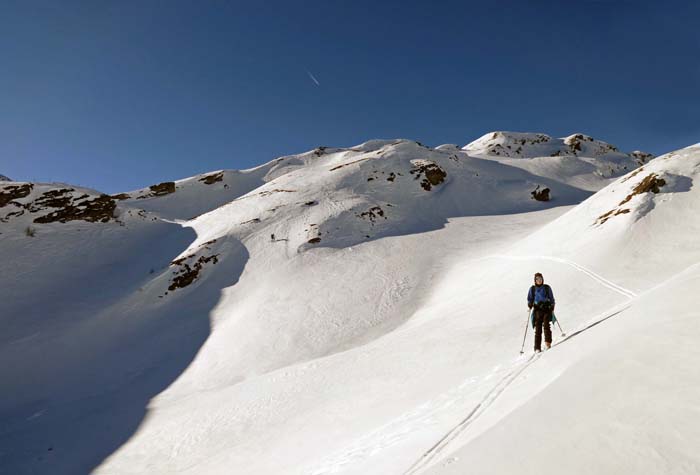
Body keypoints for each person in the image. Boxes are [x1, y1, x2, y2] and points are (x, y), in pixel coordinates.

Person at [527, 272, 555, 352]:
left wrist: (552, 305)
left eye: (540, 279)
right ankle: (537, 348)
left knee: (546, 325)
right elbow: (530, 299)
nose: (539, 280)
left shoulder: (547, 287)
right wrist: (530, 304)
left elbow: (551, 298)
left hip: (546, 309)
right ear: (535, 280)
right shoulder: (532, 289)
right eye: (537, 279)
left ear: (542, 279)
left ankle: (547, 343)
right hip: (537, 310)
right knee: (538, 328)